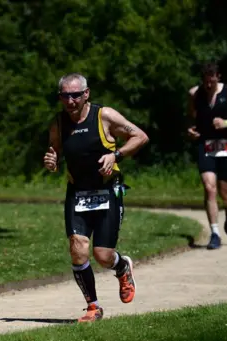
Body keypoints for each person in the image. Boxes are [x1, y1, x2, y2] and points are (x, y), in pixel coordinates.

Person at [43, 73, 149, 322]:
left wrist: (117, 156)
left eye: (76, 95)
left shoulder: (105, 116)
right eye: (65, 96)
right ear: (60, 97)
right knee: (78, 250)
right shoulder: (58, 124)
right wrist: (51, 162)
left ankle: (122, 266)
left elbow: (140, 137)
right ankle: (93, 307)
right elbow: (54, 153)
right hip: (77, 192)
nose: (71, 101)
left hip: (108, 191)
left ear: (86, 94)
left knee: (102, 256)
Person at [187, 62, 227, 250]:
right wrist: (190, 130)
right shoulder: (194, 94)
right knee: (209, 188)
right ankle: (215, 233)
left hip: (226, 145)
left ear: (218, 78)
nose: (208, 85)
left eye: (212, 81)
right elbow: (191, 117)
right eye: (205, 82)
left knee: (226, 192)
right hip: (205, 145)